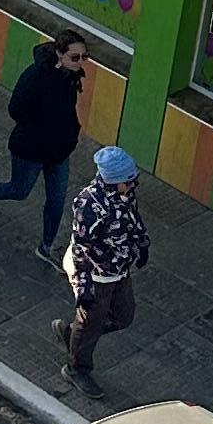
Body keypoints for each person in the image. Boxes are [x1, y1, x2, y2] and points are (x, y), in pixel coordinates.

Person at [0, 31, 90, 257]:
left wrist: (68, 131)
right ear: (59, 54)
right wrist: (42, 128)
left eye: (83, 57)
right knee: (18, 190)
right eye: (74, 57)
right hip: (32, 148)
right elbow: (16, 109)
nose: (79, 63)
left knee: (57, 199)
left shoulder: (70, 76)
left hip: (59, 149)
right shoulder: (36, 76)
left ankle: (47, 247)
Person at [56, 144, 150, 390]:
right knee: (91, 324)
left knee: (123, 317)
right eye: (129, 182)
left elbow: (132, 219)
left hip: (118, 271)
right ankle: (76, 368)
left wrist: (142, 244)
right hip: (97, 276)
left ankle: (75, 332)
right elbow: (81, 249)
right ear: (113, 181)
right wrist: (84, 289)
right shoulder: (88, 205)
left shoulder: (124, 194)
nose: (133, 186)